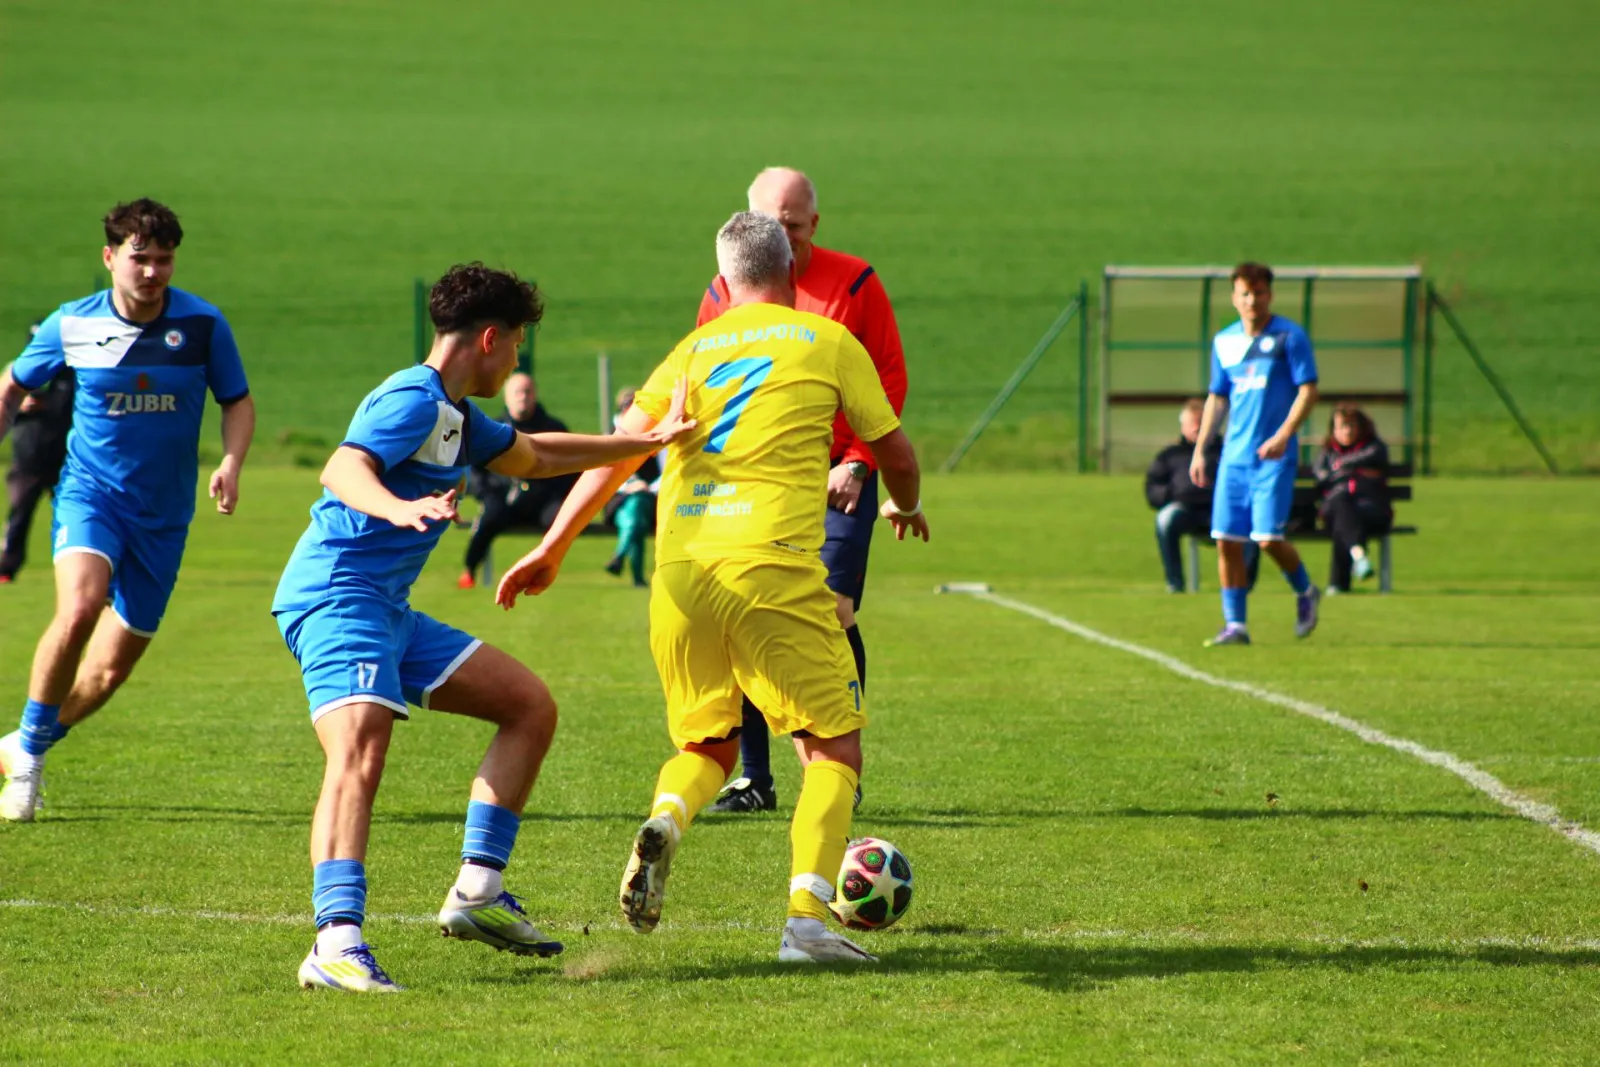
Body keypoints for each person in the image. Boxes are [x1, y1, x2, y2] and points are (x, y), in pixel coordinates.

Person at [494, 211, 929, 963]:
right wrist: (908, 504)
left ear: (723, 282)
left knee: (707, 743)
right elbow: (895, 451)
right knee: (833, 748)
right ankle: (806, 922)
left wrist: (552, 545)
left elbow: (619, 454)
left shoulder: (689, 351)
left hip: (681, 572)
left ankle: (667, 817)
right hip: (772, 565)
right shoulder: (828, 339)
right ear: (791, 270)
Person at [272, 263, 694, 993]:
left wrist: (644, 443)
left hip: (387, 609)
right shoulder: (411, 398)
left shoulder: (457, 417)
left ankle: (477, 889)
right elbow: (342, 468)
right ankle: (335, 942)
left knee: (527, 705)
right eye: (519, 342)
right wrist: (398, 507)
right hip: (338, 597)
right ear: (490, 339)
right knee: (360, 748)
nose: (518, 358)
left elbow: (538, 455)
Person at [0, 199, 255, 822]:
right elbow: (13, 384)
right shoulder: (72, 324)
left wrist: (231, 462)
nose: (152, 272)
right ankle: (27, 767)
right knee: (80, 608)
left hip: (164, 517)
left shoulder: (203, 325)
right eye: (140, 258)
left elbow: (237, 401)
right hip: (91, 496)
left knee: (109, 672)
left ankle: (23, 743)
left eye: (164, 260)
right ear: (110, 257)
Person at [698, 167, 909, 815]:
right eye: (771, 222)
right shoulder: (724, 289)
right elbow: (708, 381)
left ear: (814, 223)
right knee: (745, 613)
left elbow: (888, 376)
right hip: (761, 481)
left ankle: (842, 770)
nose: (783, 233)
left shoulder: (857, 282)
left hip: (843, 477)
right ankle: (754, 780)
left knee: (833, 612)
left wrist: (858, 462)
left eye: (792, 223)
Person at [1191, 262, 1321, 647]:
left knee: (1266, 539)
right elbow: (1218, 397)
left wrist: (1284, 435)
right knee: (1227, 540)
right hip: (1234, 459)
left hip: (1273, 458)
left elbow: (1308, 390)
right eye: (1244, 294)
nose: (1252, 301)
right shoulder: (1223, 341)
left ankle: (1305, 590)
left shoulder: (1290, 337)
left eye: (1259, 293)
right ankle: (1236, 626)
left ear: (1270, 295)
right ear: (1234, 298)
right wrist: (1200, 450)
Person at [457, 371, 577, 588]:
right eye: (517, 392)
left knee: (561, 521)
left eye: (527, 392)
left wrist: (554, 492)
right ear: (506, 397)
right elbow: (473, 471)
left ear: (535, 395)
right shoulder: (492, 430)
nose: (523, 397)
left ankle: (546, 570)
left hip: (543, 501)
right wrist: (487, 493)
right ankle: (469, 570)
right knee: (490, 516)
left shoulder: (554, 429)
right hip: (504, 499)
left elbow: (571, 468)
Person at [1, 320, 74, 583]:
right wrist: (20, 405)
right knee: (18, 515)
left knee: (74, 517)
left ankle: (78, 566)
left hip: (64, 462)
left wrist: (49, 403)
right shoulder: (19, 372)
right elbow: (5, 400)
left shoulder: (69, 376)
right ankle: (6, 567)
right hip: (27, 460)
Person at [1312, 405, 1392, 593]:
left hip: (1371, 511)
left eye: (1351, 425)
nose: (1347, 431)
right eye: (1342, 426)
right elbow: (1321, 477)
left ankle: (1338, 583)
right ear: (1333, 429)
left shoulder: (1373, 447)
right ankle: (1359, 556)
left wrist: (1342, 467)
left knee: (1344, 520)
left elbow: (1371, 457)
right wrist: (1353, 472)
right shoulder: (1327, 452)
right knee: (1341, 503)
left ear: (1361, 427)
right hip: (1336, 509)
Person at [602, 386, 661, 588]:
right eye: (626, 406)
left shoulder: (657, 434)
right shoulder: (611, 436)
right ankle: (636, 575)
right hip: (618, 501)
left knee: (637, 509)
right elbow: (603, 473)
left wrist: (646, 486)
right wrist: (629, 486)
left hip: (651, 499)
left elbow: (667, 470)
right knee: (635, 514)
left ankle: (619, 557)